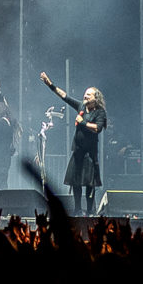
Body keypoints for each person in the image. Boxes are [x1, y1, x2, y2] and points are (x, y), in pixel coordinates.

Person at [40, 72, 105, 216]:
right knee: (76, 182)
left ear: (95, 98)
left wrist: (83, 122)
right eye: (85, 94)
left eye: (89, 95)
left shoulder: (99, 113)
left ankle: (90, 211)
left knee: (89, 183)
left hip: (90, 154)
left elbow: (98, 128)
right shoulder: (81, 106)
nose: (85, 96)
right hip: (77, 152)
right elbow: (65, 96)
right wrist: (50, 84)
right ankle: (77, 209)